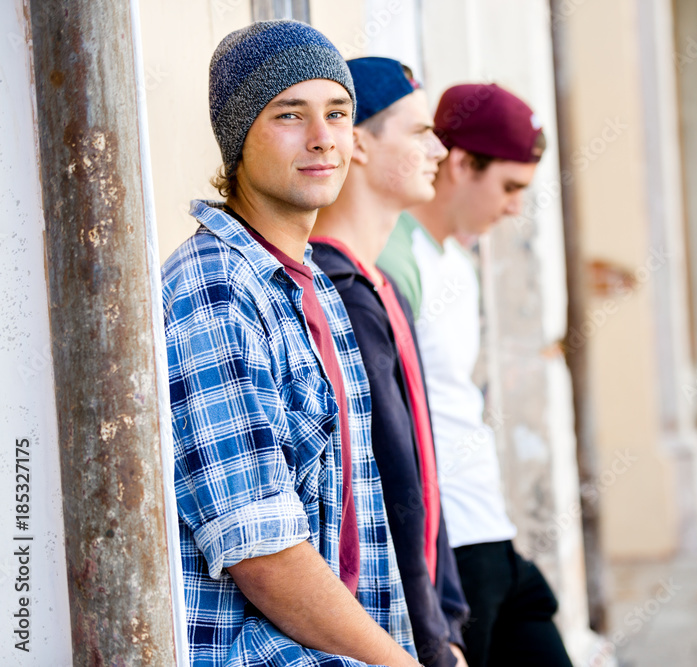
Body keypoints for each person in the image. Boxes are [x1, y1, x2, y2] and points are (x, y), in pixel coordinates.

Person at [161, 20, 419, 666]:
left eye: (337, 112)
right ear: (238, 138)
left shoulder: (309, 285)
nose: (322, 138)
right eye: (289, 114)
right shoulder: (216, 289)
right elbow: (264, 555)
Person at [378, 83, 573, 667]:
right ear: (462, 164)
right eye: (510, 187)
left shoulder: (457, 264)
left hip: (492, 536)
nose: (516, 206)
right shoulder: (392, 258)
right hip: (452, 550)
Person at [308, 57, 470, 667]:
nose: (439, 148)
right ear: (359, 144)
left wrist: (448, 617)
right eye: (418, 131)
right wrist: (429, 643)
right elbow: (385, 479)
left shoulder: (383, 286)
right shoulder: (335, 290)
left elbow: (426, 473)